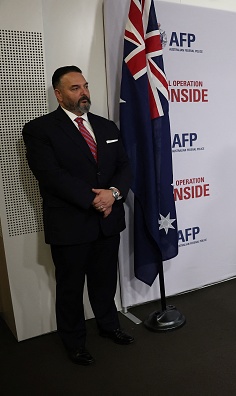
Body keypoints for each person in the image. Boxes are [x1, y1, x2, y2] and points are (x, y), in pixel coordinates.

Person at [22, 66, 134, 366]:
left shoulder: (107, 127)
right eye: (74, 88)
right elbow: (50, 176)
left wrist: (113, 194)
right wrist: (96, 200)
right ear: (59, 94)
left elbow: (125, 167)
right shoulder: (39, 129)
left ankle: (109, 326)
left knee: (104, 281)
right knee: (70, 288)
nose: (83, 92)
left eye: (85, 86)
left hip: (108, 221)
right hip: (70, 224)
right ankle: (74, 343)